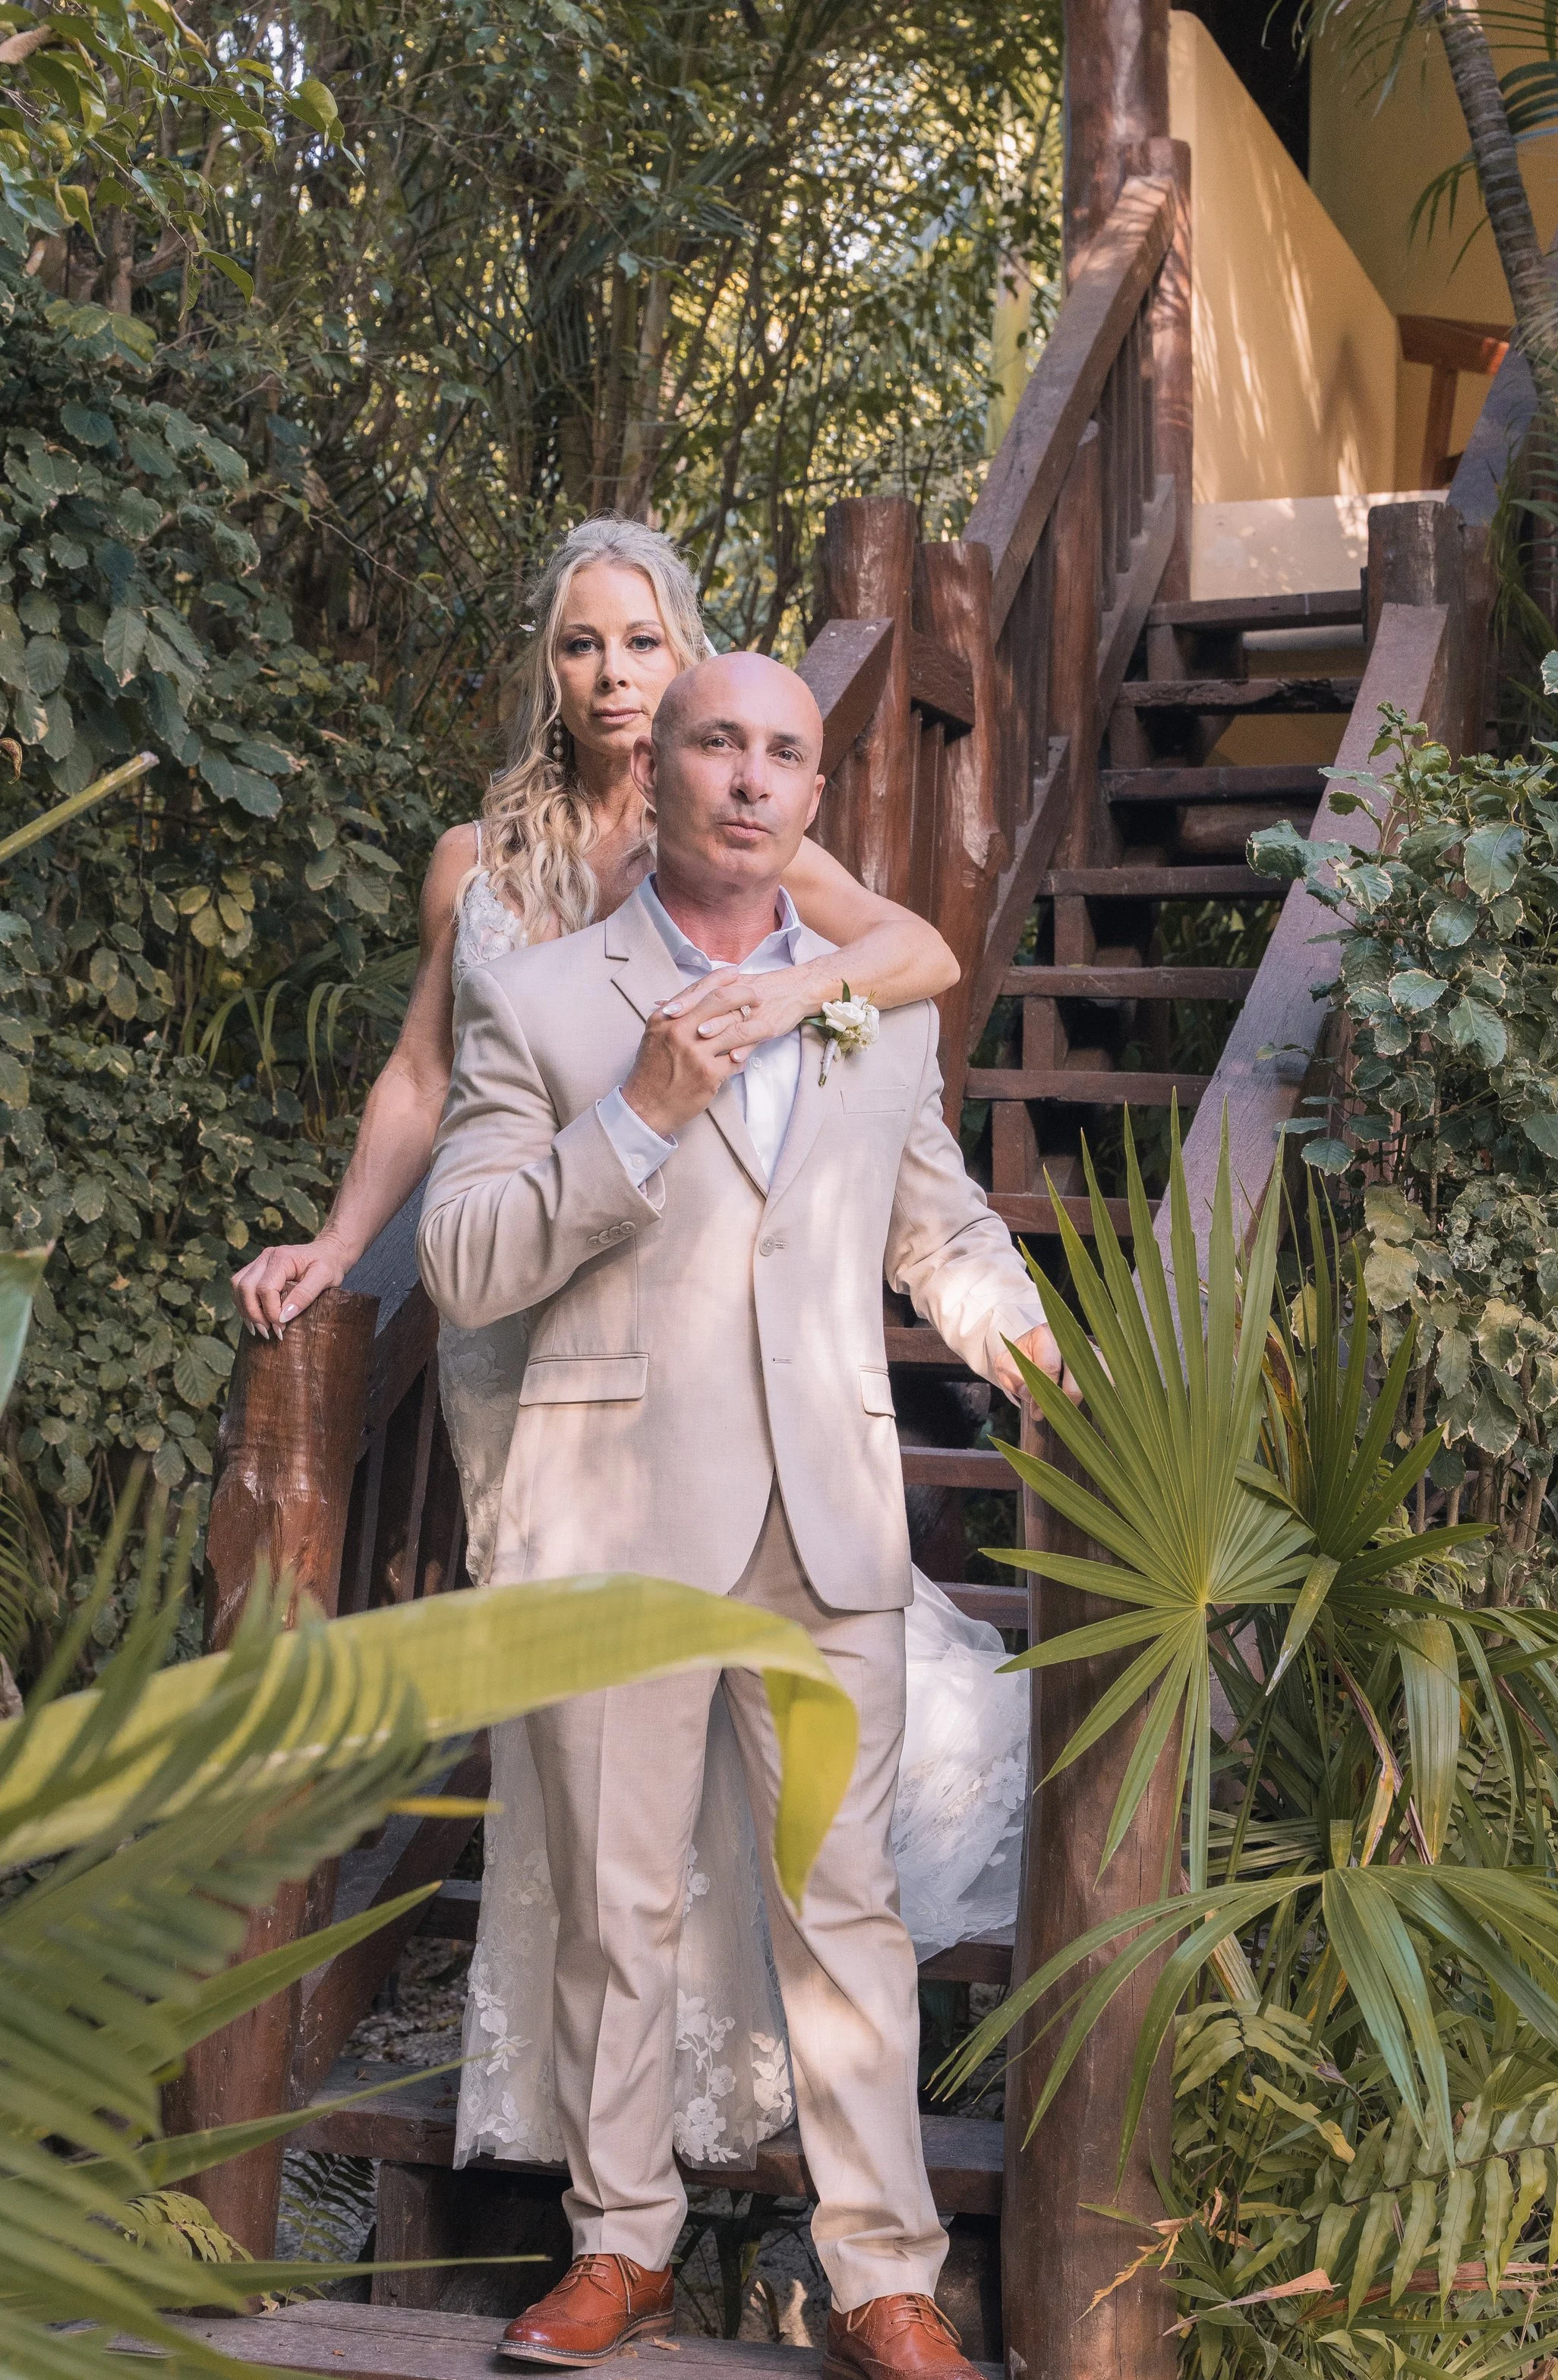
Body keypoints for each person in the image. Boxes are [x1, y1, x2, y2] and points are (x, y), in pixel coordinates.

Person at [233, 518, 1029, 2180]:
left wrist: (782, 1016)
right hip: (545, 1357)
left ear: (687, 666)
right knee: (587, 1767)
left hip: (725, 1323)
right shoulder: (486, 860)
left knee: (752, 1773)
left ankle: (736, 2088)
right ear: (555, 666)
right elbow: (419, 1077)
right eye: (584, 644)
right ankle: (590, 2138)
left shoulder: (745, 833)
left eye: (643, 644)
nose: (613, 675)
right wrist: (333, 1232)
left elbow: (910, 962)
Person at [417, 651, 1059, 2380]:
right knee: (619, 1901)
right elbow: (467, 1257)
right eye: (722, 744)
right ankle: (617, 2239)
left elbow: (936, 1225)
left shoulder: (875, 1008)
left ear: (810, 793)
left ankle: (882, 2285)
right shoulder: (544, 1000)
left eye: (787, 753)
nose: (754, 778)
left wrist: (1028, 1345)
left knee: (837, 1903)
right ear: (665, 769)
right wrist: (640, 1114)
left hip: (827, 1521)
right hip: (614, 1521)